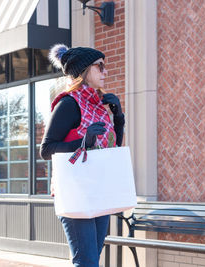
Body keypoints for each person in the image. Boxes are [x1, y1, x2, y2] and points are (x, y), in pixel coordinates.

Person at [39, 44, 125, 267]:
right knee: (86, 262)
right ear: (85, 70)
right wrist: (83, 142)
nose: (106, 72)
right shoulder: (69, 104)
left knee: (91, 260)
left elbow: (109, 151)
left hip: (98, 190)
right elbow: (46, 149)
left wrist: (118, 118)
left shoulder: (98, 106)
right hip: (75, 191)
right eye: (100, 66)